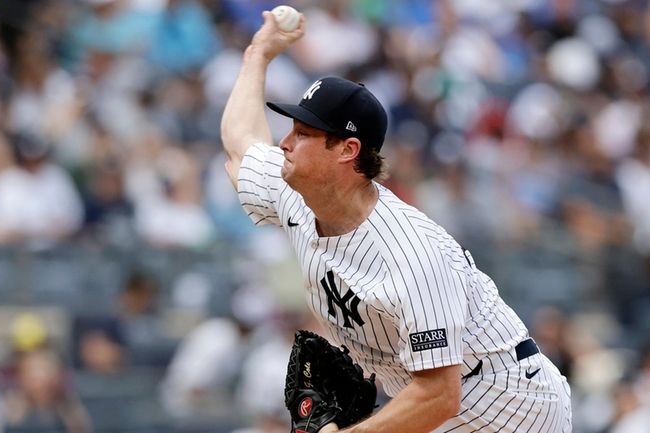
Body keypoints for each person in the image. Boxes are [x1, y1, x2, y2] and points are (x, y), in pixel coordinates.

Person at [219, 10, 572, 433]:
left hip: (509, 408)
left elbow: (440, 393)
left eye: (303, 133)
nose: (285, 143)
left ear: (348, 150)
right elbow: (241, 146)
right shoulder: (295, 195)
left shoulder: (412, 254)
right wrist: (258, 54)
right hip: (435, 399)